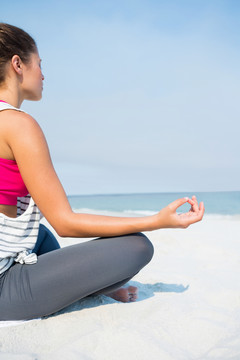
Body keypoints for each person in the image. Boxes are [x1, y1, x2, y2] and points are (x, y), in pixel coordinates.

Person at [0, 23, 204, 321]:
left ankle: (84, 289)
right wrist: (158, 221)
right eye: (39, 64)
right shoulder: (18, 124)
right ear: (18, 64)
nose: (43, 75)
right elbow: (65, 223)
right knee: (137, 246)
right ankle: (83, 290)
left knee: (38, 235)